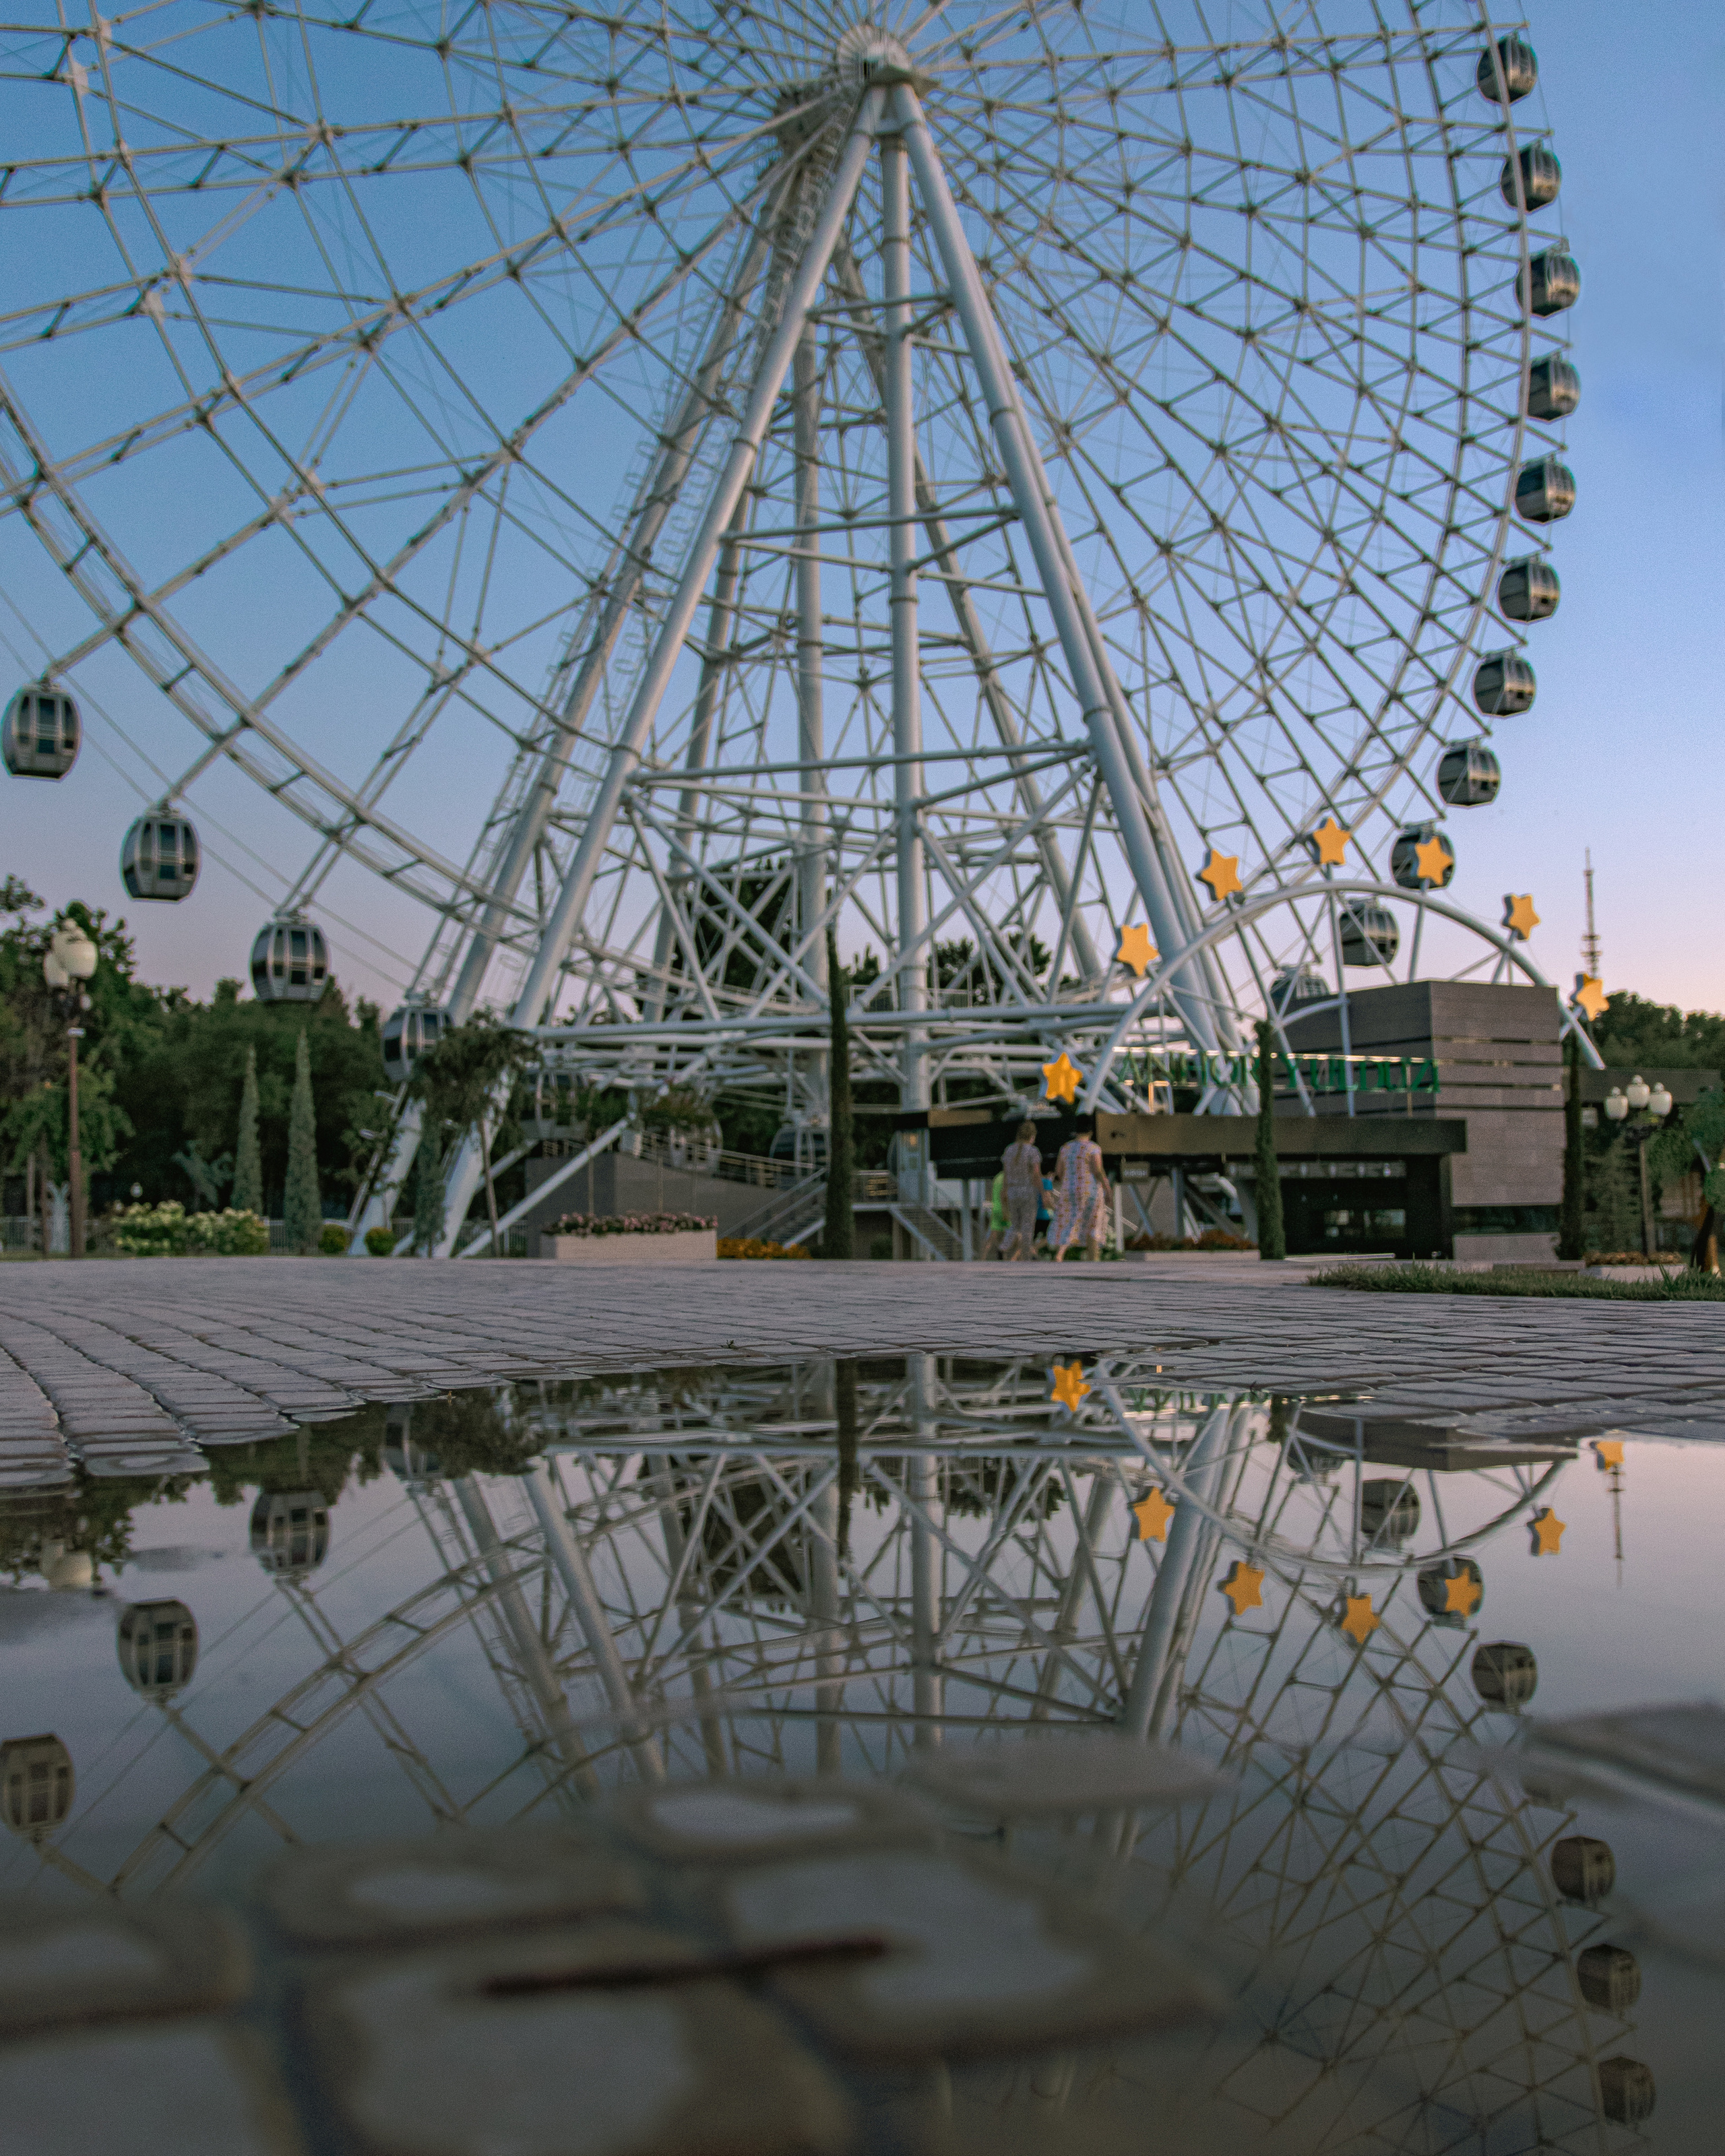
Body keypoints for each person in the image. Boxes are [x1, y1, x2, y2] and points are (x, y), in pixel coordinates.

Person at [1052, 1118, 1110, 1263]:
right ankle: (1093, 1257)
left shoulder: (1066, 1148)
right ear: (1090, 1131)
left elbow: (1059, 1171)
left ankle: (1061, 1252)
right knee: (1094, 1222)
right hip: (1090, 1190)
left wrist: (1069, 1180)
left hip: (1069, 1189)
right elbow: (1098, 1171)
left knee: (1070, 1220)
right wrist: (1108, 1189)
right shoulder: (1093, 1148)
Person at [1000, 1122, 1044, 1261]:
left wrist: (1004, 1190)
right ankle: (1026, 1256)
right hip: (1028, 1191)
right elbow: (1036, 1174)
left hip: (1013, 1191)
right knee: (1027, 1226)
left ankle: (1004, 1246)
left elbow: (1006, 1173)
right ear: (1032, 1136)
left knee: (1015, 1225)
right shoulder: (1033, 1151)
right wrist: (1044, 1192)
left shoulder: (1009, 1150)